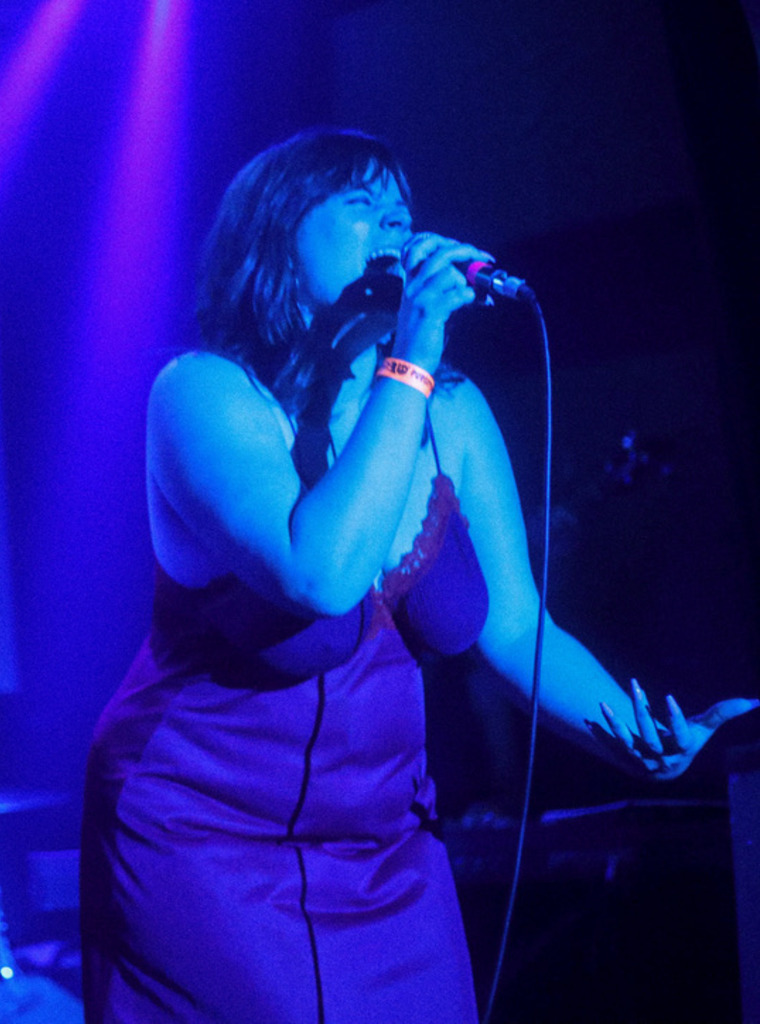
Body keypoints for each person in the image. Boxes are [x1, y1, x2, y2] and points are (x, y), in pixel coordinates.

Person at [78, 128, 757, 1024]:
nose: (396, 229)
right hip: (200, 840)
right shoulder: (204, 394)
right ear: (277, 234)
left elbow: (515, 629)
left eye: (403, 210)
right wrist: (410, 356)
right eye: (361, 208)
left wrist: (637, 733)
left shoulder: (455, 412)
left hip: (387, 846)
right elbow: (318, 575)